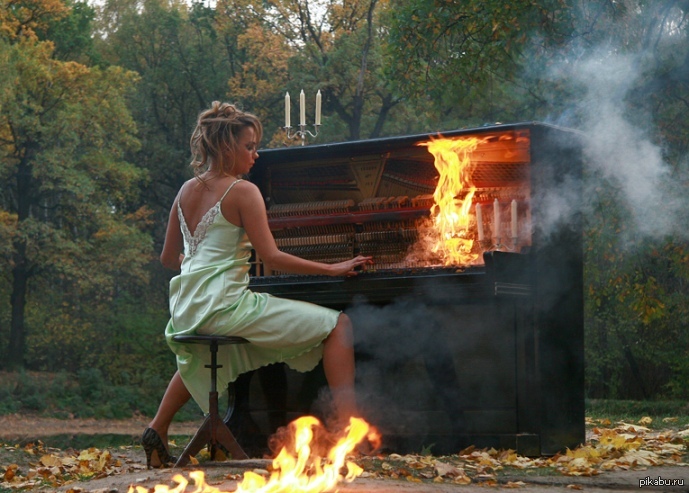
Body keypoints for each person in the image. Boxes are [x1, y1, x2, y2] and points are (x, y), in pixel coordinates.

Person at [141, 101, 373, 468]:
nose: (255, 154)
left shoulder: (186, 190)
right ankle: (351, 436)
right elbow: (273, 256)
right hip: (225, 307)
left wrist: (203, 269)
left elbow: (170, 259)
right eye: (249, 147)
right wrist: (333, 269)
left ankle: (157, 428)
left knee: (205, 353)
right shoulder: (243, 191)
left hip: (188, 308)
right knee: (339, 325)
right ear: (227, 147)